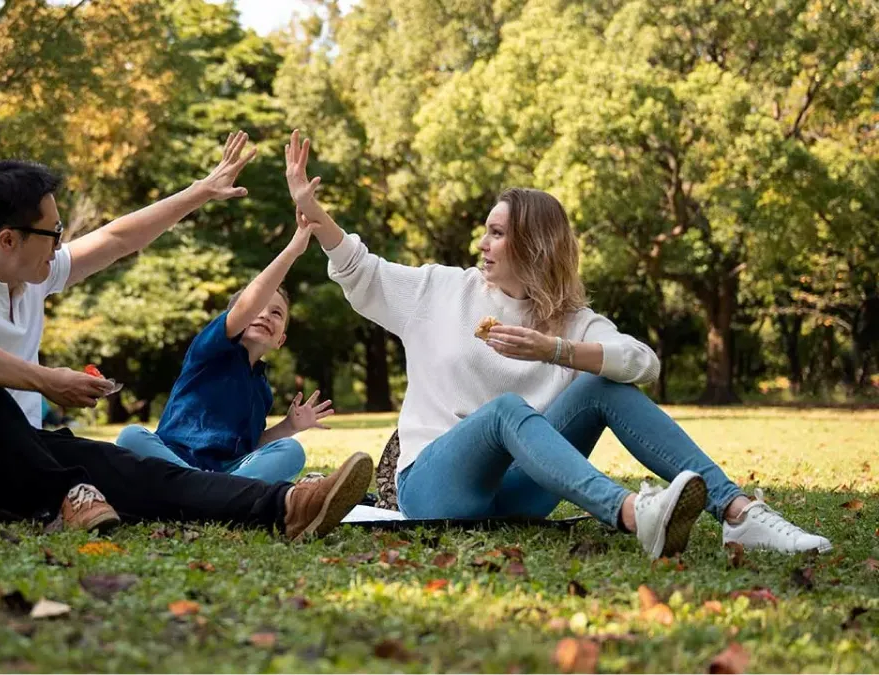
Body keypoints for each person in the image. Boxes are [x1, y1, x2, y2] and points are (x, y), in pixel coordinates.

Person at [282, 129, 830, 558]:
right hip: (435, 486)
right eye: (487, 230)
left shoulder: (573, 321)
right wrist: (315, 211)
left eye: (497, 233)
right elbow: (361, 270)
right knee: (504, 412)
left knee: (604, 385)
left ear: (535, 245)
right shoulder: (442, 289)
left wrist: (556, 351)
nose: (483, 242)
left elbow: (643, 363)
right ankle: (636, 515)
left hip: (519, 498)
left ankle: (738, 514)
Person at [0, 131, 373, 539]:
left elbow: (117, 239)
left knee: (144, 472)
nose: (60, 245)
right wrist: (43, 380)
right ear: (8, 240)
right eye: (53, 233)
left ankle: (289, 506)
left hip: (35, 456)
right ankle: (66, 489)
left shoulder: (31, 277)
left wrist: (200, 192)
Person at [116, 216, 332, 483]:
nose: (265, 315)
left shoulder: (262, 391)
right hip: (174, 462)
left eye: (276, 313)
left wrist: (289, 427)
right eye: (257, 307)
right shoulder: (210, 350)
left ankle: (209, 493)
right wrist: (292, 251)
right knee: (131, 436)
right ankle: (214, 493)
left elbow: (249, 449)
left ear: (280, 340)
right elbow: (246, 306)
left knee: (291, 451)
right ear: (236, 316)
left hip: (225, 473)